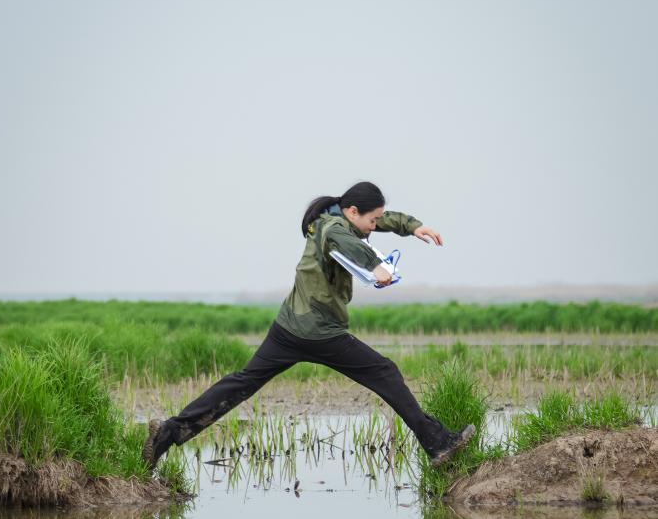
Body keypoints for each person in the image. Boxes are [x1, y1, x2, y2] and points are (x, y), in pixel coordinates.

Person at [142, 180, 475, 469]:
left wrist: (413, 226)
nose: (375, 226)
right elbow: (348, 242)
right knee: (384, 372)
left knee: (242, 383)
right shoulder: (333, 229)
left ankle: (169, 432)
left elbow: (375, 221)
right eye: (372, 220)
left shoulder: (331, 217)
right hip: (320, 332)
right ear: (353, 211)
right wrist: (375, 265)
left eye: (377, 219)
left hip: (288, 327)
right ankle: (437, 443)